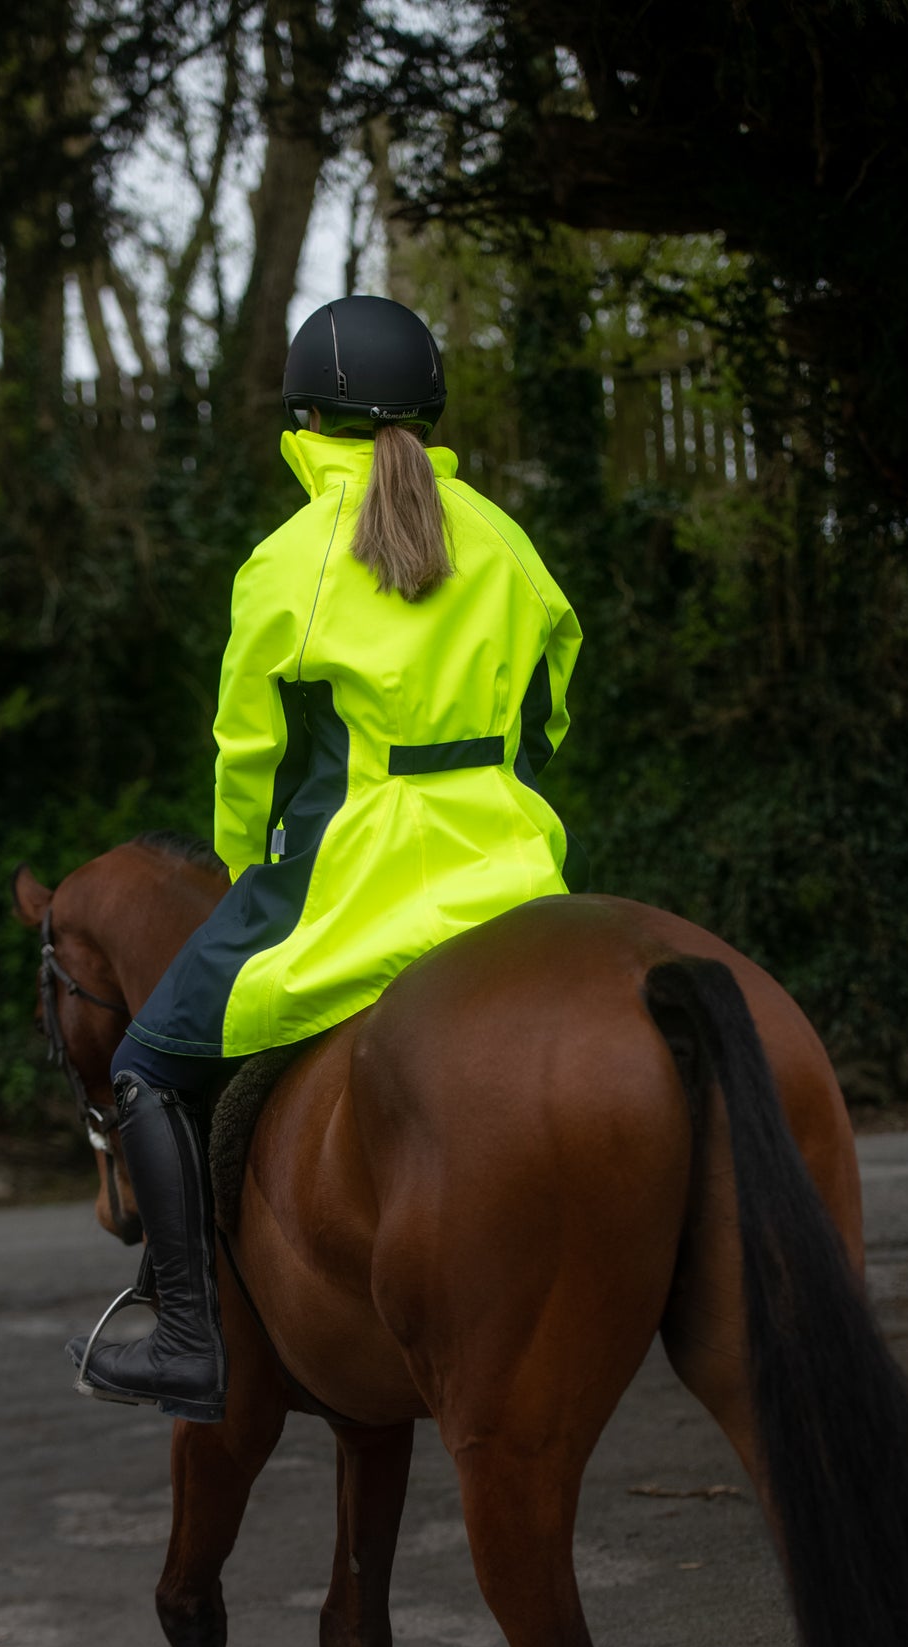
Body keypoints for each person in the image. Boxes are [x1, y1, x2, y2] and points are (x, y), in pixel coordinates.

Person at [68, 294, 584, 1419]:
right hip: (509, 870)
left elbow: (245, 754)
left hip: (345, 877)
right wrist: (502, 803)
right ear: (429, 410)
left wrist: (252, 864)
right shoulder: (504, 537)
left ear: (304, 417)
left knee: (149, 1062)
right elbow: (549, 710)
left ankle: (188, 1338)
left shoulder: (285, 561)